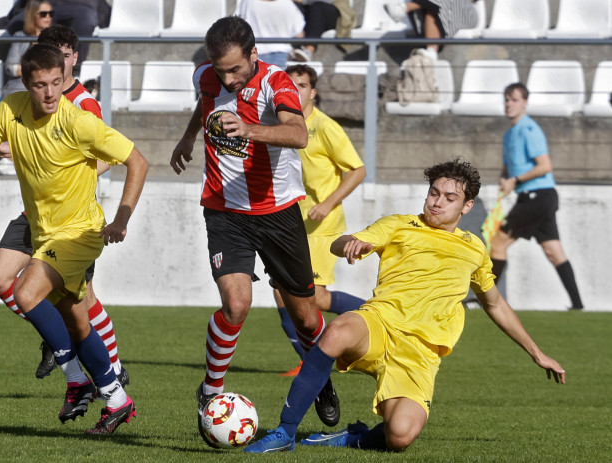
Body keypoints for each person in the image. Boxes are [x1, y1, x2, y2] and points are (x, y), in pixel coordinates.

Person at [245, 158, 567, 453]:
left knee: (399, 436)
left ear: (467, 206)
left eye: (449, 198)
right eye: (433, 193)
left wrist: (537, 353)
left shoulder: (475, 250)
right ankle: (285, 433)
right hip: (380, 324)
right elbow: (338, 242)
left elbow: (495, 304)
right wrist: (353, 244)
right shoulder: (399, 225)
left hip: (421, 352)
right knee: (337, 331)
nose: (437, 202)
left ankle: (356, 436)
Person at [0, 43, 148, 435]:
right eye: (40, 85)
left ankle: (77, 381)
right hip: (45, 231)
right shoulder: (9, 110)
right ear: (26, 84)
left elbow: (137, 161)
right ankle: (116, 399)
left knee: (26, 292)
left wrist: (121, 219)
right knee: (78, 323)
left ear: (65, 79)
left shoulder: (78, 122)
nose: (49, 93)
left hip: (79, 233)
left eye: (56, 83)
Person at [170, 16, 340, 446]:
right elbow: (204, 102)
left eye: (235, 70)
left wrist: (250, 129)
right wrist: (188, 138)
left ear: (253, 55)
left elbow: (299, 133)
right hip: (225, 211)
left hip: (279, 213)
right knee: (236, 304)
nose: (226, 78)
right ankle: (210, 392)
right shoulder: (207, 76)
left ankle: (320, 378)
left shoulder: (276, 82)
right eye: (219, 69)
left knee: (305, 315)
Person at [0, 25, 129, 425]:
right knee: (11, 285)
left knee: (60, 302)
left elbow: (108, 156)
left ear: (74, 59)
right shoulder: (23, 104)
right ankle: (111, 390)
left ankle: (96, 370)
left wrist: (61, 172)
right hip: (35, 216)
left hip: (72, 223)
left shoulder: (82, 106)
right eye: (51, 55)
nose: (58, 64)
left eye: (65, 55)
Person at [276, 64, 367, 377]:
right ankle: (309, 358)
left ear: (312, 92)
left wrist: (327, 203)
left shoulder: (325, 127)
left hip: (321, 226)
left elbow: (357, 171)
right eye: (290, 85)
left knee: (314, 296)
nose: (295, 90)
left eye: (301, 85)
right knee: (281, 291)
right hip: (291, 222)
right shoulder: (281, 124)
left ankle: (376, 314)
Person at [489, 83, 583, 310]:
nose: (509, 104)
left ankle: (486, 300)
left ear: (525, 103)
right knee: (554, 251)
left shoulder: (530, 129)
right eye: (506, 99)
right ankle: (578, 306)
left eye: (514, 99)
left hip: (537, 196)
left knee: (498, 243)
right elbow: (509, 165)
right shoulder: (509, 134)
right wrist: (505, 177)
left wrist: (516, 181)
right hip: (538, 197)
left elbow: (544, 166)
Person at [0, 0, 54, 176]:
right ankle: (9, 157)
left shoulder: (52, 39)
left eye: (50, 14)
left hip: (43, 87)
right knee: (13, 107)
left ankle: (20, 157)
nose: (48, 18)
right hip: (19, 85)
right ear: (32, 15)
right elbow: (10, 67)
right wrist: (33, 69)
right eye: (43, 14)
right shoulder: (21, 37)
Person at [384, 0, 478, 61]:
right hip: (443, 11)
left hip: (466, 12)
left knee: (439, 6)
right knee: (432, 12)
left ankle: (404, 8)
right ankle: (431, 52)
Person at [234, 0, 305, 70]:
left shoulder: (248, 2)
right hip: (282, 55)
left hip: (254, 53)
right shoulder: (288, 3)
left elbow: (237, 27)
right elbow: (300, 34)